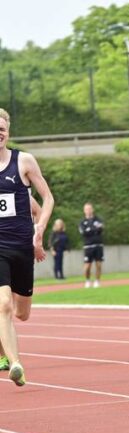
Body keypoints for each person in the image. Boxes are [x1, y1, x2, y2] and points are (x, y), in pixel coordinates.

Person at [0, 107, 55, 386]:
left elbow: (45, 199)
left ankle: (2, 349)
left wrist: (39, 232)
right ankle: (16, 364)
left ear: (8, 132)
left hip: (22, 246)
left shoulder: (24, 161)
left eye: (1, 129)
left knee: (22, 313)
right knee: (4, 304)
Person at [79, 203, 104, 287]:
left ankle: (97, 281)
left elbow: (100, 229)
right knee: (87, 266)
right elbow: (84, 232)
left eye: (89, 209)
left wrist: (90, 230)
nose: (88, 211)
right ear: (84, 211)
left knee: (99, 265)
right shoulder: (82, 222)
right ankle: (87, 280)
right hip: (88, 246)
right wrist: (93, 229)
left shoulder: (98, 219)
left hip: (98, 245)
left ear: (92, 209)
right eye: (86, 209)